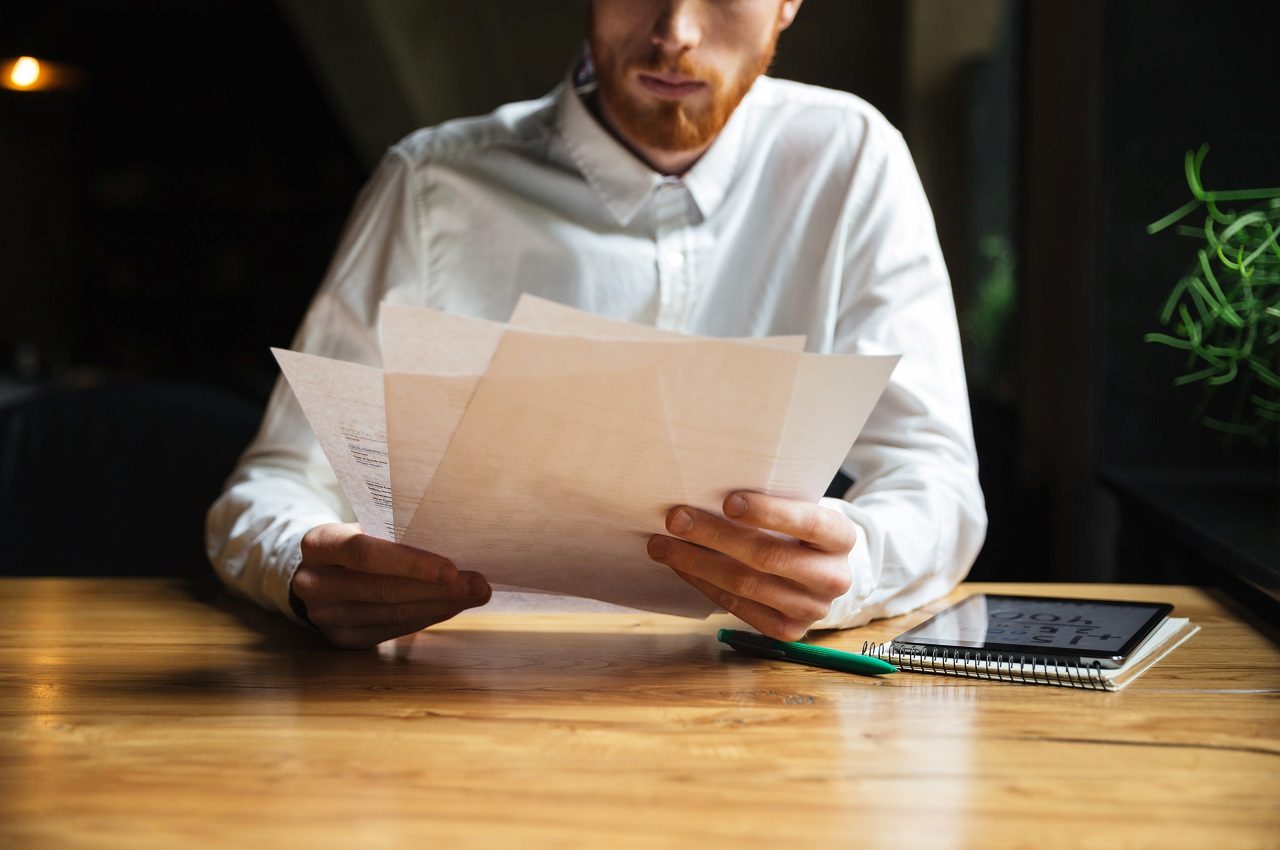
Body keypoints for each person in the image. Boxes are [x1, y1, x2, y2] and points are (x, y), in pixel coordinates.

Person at [207, 0, 987, 649]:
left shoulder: (852, 162)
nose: (675, 32)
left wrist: (856, 568)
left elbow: (938, 479)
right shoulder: (430, 189)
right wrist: (303, 569)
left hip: (753, 707)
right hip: (462, 705)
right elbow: (274, 484)